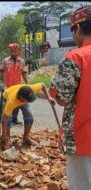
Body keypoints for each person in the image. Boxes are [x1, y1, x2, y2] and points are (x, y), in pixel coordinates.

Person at [50, 6, 91, 190]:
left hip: (83, 137)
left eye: (73, 29)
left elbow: (62, 98)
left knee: (82, 184)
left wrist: (54, 91)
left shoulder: (75, 57)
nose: (73, 34)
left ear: (79, 28)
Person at [0, 83, 56, 150]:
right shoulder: (11, 101)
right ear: (22, 98)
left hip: (21, 97)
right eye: (28, 100)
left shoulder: (30, 89)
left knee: (29, 117)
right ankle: (7, 139)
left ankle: (25, 138)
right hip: (7, 96)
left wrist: (49, 97)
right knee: (8, 120)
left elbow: (43, 85)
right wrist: (3, 135)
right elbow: (4, 119)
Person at [0, 43, 29, 125]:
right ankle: (0, 119)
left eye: (15, 50)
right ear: (9, 51)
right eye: (12, 51)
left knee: (16, 103)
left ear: (18, 51)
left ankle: (14, 119)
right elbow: (1, 72)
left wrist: (28, 84)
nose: (14, 52)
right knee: (3, 104)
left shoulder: (22, 61)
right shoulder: (5, 61)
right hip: (7, 87)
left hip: (17, 87)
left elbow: (24, 73)